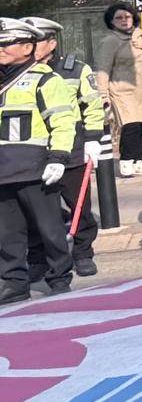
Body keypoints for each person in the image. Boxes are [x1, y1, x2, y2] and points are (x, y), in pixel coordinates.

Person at [0, 17, 75, 302]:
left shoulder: (45, 80)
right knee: (8, 234)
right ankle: (14, 282)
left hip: (36, 168)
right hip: (4, 170)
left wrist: (58, 157)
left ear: (28, 46)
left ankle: (59, 277)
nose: (2, 48)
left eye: (8, 43)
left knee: (49, 229)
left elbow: (63, 121)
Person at [27, 19, 108, 277]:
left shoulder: (75, 70)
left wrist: (94, 138)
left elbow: (92, 106)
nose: (30, 46)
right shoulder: (18, 73)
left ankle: (83, 253)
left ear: (51, 43)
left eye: (35, 41)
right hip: (35, 152)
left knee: (80, 206)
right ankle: (39, 259)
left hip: (72, 149)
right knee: (36, 211)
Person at [98, 0, 142, 177]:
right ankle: (126, 161)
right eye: (119, 18)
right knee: (130, 125)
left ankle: (138, 161)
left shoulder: (140, 34)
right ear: (111, 21)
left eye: (128, 17)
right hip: (122, 90)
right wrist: (103, 94)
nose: (124, 20)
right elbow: (103, 69)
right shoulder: (110, 41)